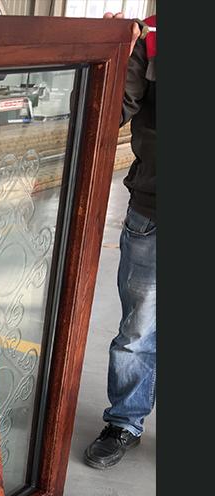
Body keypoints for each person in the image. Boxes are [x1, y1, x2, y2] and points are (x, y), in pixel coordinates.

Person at [84, 12, 156, 470]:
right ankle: (125, 422)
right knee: (137, 331)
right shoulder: (153, 39)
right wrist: (107, 50)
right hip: (155, 210)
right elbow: (112, 112)